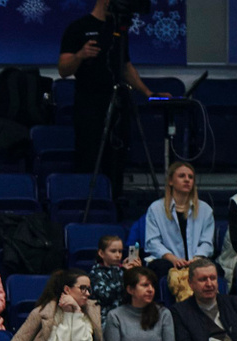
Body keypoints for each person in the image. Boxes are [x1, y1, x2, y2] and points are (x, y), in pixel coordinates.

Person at [59, 0, 148, 202]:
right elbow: (63, 69)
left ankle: (113, 203)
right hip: (89, 105)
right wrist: (80, 55)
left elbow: (125, 67)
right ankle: (86, 204)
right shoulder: (78, 28)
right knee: (88, 157)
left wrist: (148, 93)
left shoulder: (119, 30)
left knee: (116, 158)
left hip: (117, 105)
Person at [103, 265, 178, 341]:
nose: (150, 290)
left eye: (152, 286)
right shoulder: (115, 315)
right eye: (145, 285)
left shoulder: (164, 313)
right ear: (130, 290)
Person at [142, 162, 214, 280]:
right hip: (167, 261)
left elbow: (207, 243)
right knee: (162, 268)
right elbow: (153, 242)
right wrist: (172, 258)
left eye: (190, 177)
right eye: (182, 176)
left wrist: (196, 259)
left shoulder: (205, 210)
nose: (187, 180)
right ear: (170, 181)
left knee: (216, 269)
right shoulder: (155, 208)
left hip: (196, 260)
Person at [86, 233, 133, 314]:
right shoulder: (96, 272)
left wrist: (135, 272)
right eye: (113, 251)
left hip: (126, 313)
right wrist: (123, 272)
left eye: (120, 251)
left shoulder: (122, 270)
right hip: (105, 314)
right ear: (101, 253)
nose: (118, 255)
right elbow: (106, 295)